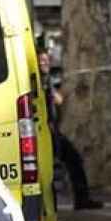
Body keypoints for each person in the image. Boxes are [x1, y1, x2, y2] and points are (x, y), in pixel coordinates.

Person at [38, 50, 103, 210]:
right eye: (41, 61)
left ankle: (81, 199)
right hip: (44, 131)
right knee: (64, 162)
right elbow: (55, 100)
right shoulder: (39, 81)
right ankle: (77, 200)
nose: (45, 63)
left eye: (47, 60)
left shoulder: (46, 80)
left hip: (51, 130)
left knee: (72, 159)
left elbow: (58, 101)